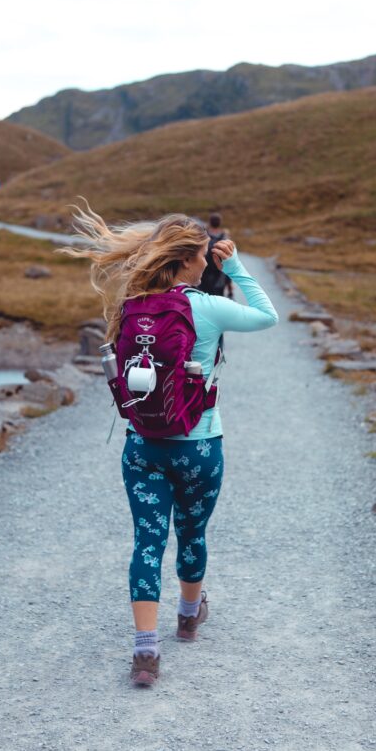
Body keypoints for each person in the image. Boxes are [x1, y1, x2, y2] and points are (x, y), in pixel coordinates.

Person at [63, 202, 278, 687]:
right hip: (198, 445)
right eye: (202, 256)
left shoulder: (130, 306)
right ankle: (187, 616)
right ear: (184, 260)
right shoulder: (207, 307)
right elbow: (267, 317)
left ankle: (145, 654)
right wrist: (237, 267)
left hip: (142, 446)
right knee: (192, 533)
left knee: (147, 541)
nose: (207, 264)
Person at [200, 212, 233, 298]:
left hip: (203, 277)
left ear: (210, 222)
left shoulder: (203, 237)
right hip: (220, 278)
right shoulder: (225, 238)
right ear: (220, 223)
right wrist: (229, 286)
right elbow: (229, 262)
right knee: (218, 302)